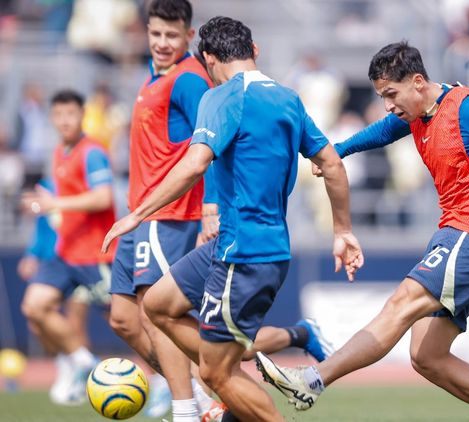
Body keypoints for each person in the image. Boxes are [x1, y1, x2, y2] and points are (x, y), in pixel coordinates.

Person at [256, 41, 469, 422]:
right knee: (426, 356)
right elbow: (380, 132)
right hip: (457, 235)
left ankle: (313, 380)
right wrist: (335, 152)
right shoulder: (415, 115)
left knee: (401, 303)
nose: (388, 105)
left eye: (391, 94)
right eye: (381, 96)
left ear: (418, 81)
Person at [101, 16, 363, 421]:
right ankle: (224, 383)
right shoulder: (289, 98)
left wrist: (135, 214)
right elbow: (331, 162)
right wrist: (343, 229)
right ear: (254, 50)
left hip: (242, 253)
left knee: (215, 373)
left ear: (207, 58)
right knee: (157, 305)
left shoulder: (220, 96)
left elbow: (193, 165)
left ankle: (220, 387)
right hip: (250, 245)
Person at [19, 89, 115, 405]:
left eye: (70, 114)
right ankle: (81, 362)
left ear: (82, 115)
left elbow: (103, 198)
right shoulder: (60, 152)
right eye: (58, 115)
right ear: (51, 118)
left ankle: (168, 382)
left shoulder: (92, 152)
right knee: (34, 306)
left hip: (95, 255)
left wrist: (54, 203)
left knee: (127, 324)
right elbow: (60, 210)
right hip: (66, 253)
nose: (64, 121)